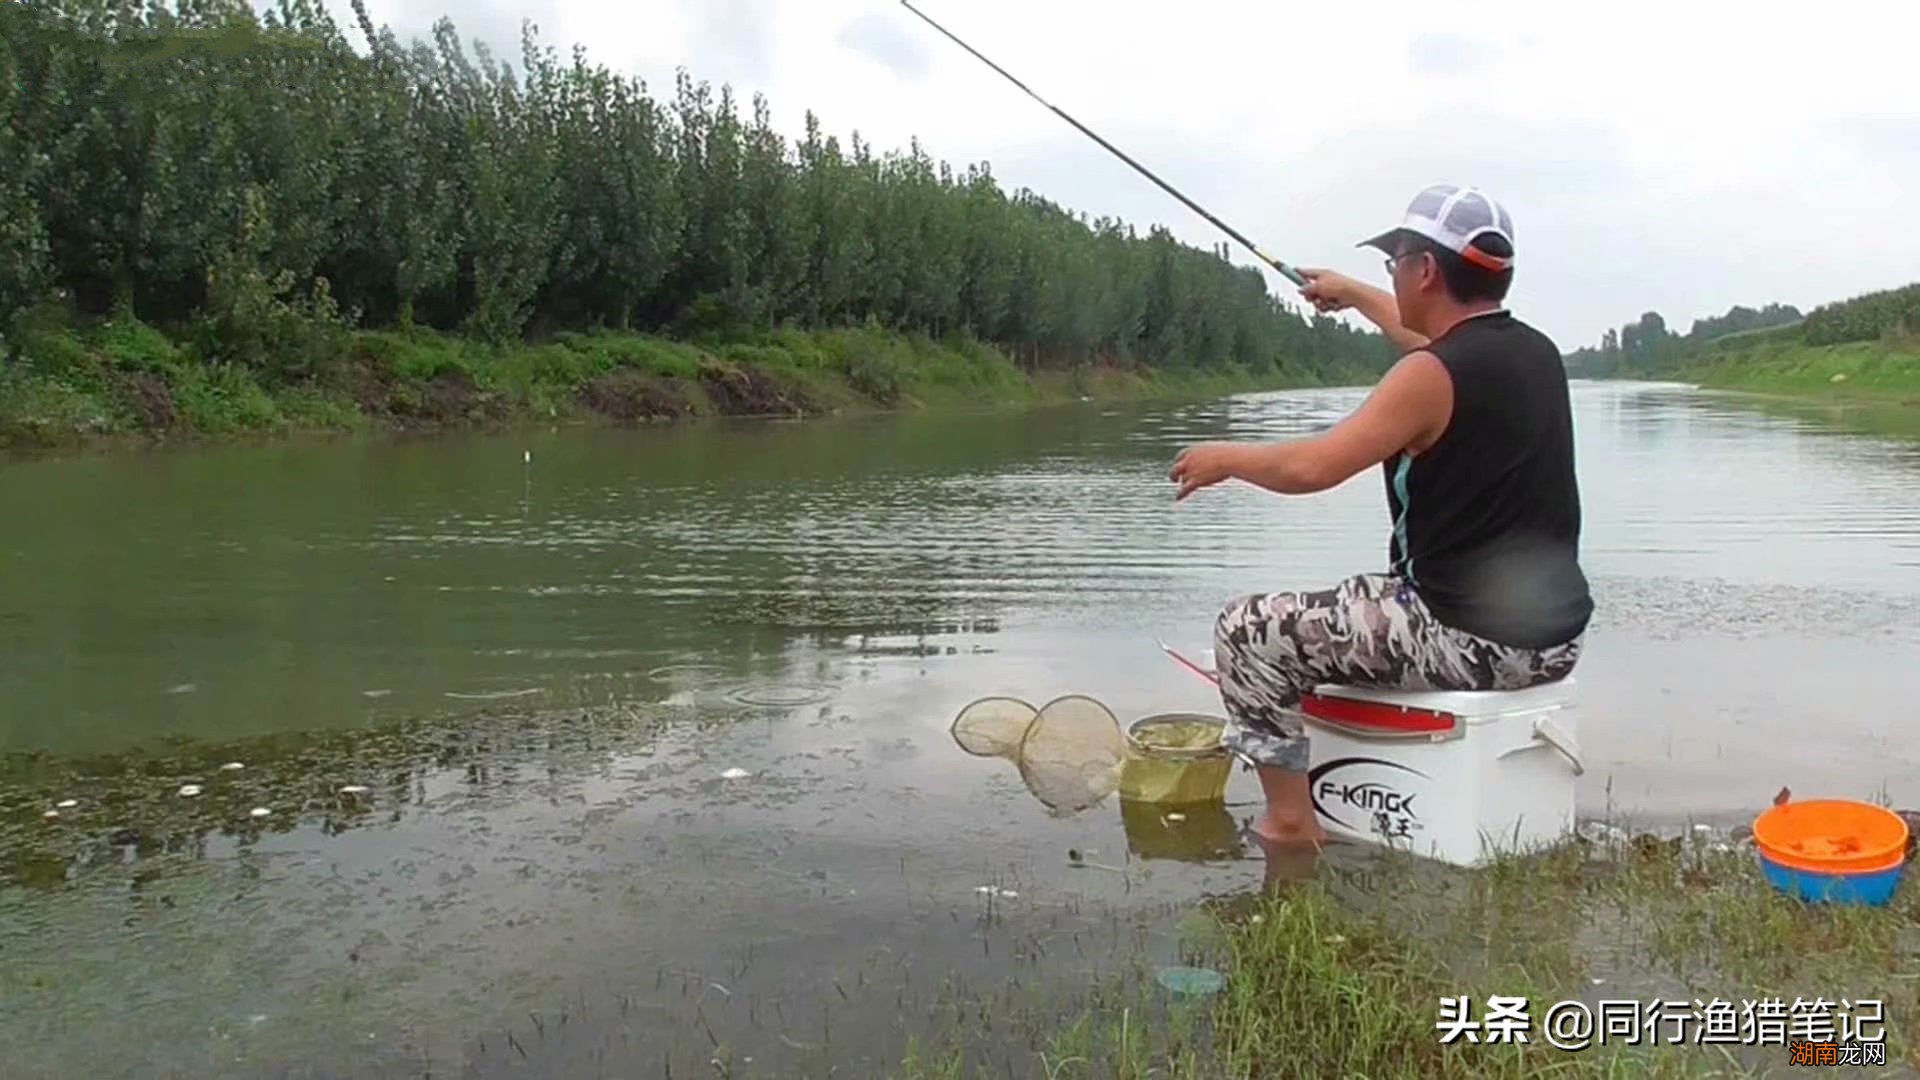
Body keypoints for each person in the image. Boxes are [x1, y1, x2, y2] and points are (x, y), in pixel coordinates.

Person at [1167, 184, 1593, 849]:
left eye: (1395, 262)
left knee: (1248, 630)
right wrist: (1356, 294)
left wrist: (1228, 457)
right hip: (1553, 640)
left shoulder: (1429, 376)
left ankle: (1288, 823)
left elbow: (1315, 468)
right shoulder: (1536, 354)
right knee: (1365, 596)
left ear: (1425, 270)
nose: (1390, 275)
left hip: (1472, 641)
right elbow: (1433, 340)